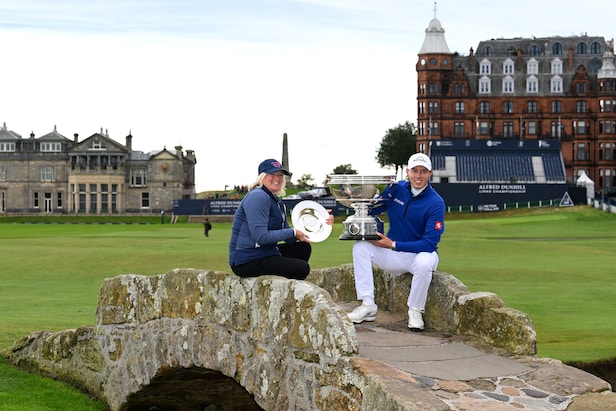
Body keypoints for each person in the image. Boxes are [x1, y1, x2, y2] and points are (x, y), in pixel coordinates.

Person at [347, 152, 445, 331]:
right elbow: (373, 210)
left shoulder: (436, 202)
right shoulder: (396, 188)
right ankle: (368, 305)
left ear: (430, 174)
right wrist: (358, 202)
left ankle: (415, 310)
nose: (418, 176)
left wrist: (392, 244)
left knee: (424, 262)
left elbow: (429, 244)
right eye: (415, 171)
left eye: (423, 171)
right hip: (394, 255)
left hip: (418, 255)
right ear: (408, 172)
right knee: (361, 247)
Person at [228, 158, 333, 280]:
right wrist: (293, 232)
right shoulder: (258, 197)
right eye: (272, 174)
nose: (277, 178)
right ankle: (284, 293)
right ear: (262, 177)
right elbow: (261, 237)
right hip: (246, 260)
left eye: (280, 175)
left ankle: (283, 286)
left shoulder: (275, 200)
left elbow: (290, 239)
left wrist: (319, 220)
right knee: (301, 268)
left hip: (265, 252)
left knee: (303, 248)